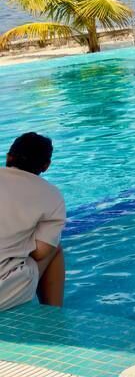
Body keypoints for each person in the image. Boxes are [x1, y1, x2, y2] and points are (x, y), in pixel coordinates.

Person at [0, 133, 65, 311]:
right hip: (3, 294)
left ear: (8, 157)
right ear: (46, 166)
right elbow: (41, 253)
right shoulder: (51, 195)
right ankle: (54, 315)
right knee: (54, 248)